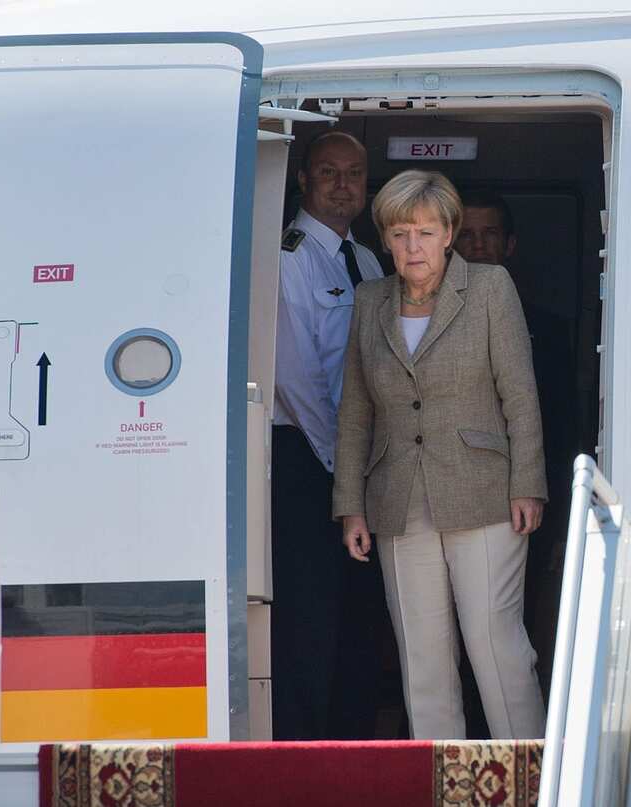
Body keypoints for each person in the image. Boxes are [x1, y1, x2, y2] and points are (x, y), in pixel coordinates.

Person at [334, 170, 548, 740]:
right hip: (398, 501)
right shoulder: (370, 299)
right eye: (400, 233)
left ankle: (532, 778)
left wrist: (528, 482)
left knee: (496, 646)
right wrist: (350, 506)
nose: (412, 247)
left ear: (449, 233)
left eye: (425, 232)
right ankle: (446, 786)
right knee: (422, 661)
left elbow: (520, 394)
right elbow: (356, 411)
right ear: (384, 239)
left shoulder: (489, 287)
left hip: (484, 494)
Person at [271, 130, 386, 740]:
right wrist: (343, 472)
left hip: (359, 462)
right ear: (304, 181)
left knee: (360, 619)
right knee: (311, 618)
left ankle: (356, 750)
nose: (342, 186)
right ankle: (305, 756)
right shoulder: (289, 256)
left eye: (353, 174)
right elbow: (296, 380)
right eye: (328, 174)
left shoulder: (367, 260)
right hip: (308, 459)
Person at [455, 191, 579, 679]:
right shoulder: (411, 315)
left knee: (510, 629)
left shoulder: (546, 329)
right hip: (448, 497)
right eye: (467, 233)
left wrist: (559, 511)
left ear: (510, 245)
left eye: (489, 234)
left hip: (526, 501)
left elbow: (563, 423)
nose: (478, 244)